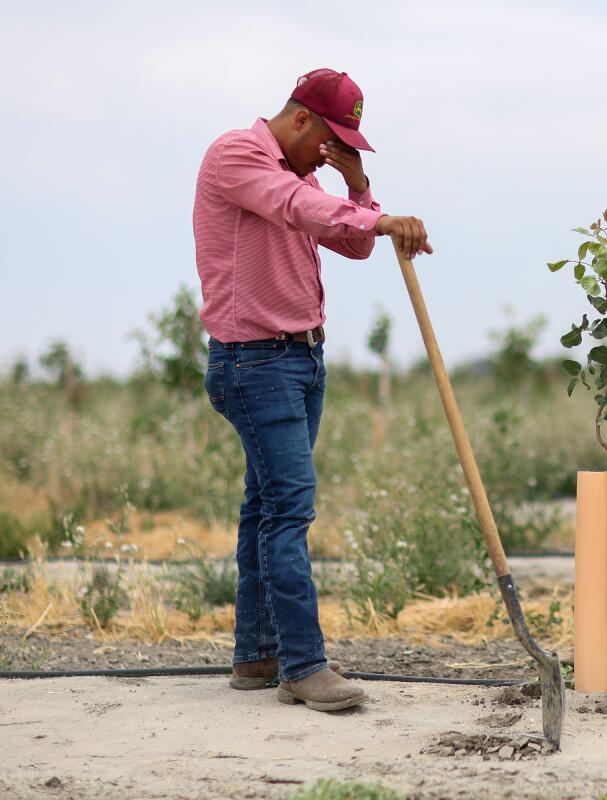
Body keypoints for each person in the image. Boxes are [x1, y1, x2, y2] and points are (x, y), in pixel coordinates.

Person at [193, 68, 430, 712]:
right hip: (255, 362)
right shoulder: (238, 156)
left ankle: (257, 656)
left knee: (265, 507)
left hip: (300, 360)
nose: (332, 153)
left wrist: (360, 189)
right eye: (330, 139)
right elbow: (296, 208)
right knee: (291, 510)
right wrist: (382, 221)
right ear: (301, 119)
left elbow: (350, 242)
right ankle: (302, 665)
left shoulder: (308, 177)